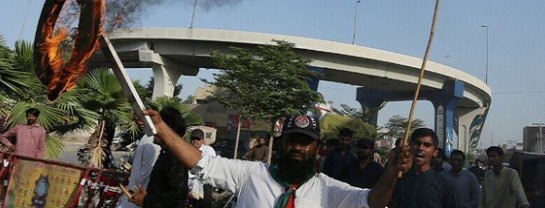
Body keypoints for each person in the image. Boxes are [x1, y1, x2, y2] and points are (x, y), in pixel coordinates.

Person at [144, 110, 413, 208]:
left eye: (306, 142)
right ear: (282, 143)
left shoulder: (327, 189)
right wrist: (162, 129)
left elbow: (372, 201)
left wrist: (391, 172)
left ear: (316, 147)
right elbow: (202, 162)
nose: (298, 147)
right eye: (293, 140)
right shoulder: (250, 174)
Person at [130, 107, 189, 208]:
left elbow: (178, 196)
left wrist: (146, 199)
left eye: (157, 126)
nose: (154, 130)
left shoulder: (174, 157)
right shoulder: (165, 153)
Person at [389, 128, 459, 208]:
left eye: (427, 145)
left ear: (434, 152)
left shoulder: (444, 185)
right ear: (410, 147)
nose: (421, 148)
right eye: (417, 143)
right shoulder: (399, 180)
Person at [120, 115, 161, 208]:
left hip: (140, 196)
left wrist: (131, 193)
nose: (138, 122)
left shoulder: (151, 140)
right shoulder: (147, 137)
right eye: (135, 119)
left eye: (141, 118)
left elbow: (144, 176)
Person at [188, 129, 216, 208]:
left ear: (203, 140)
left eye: (198, 139)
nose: (195, 141)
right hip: (188, 187)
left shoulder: (208, 150)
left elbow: (200, 167)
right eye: (193, 138)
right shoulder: (187, 150)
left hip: (203, 187)